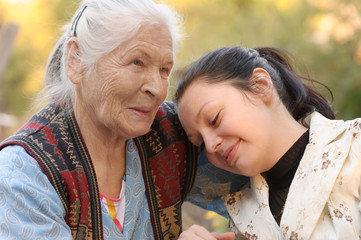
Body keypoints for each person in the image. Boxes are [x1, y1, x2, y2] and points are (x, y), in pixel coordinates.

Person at [0, 2, 248, 239]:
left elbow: (269, 173)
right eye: (137, 62)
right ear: (76, 59)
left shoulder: (172, 135)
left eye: (164, 70)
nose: (156, 89)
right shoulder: (23, 176)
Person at [175, 46, 361, 239]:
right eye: (201, 144)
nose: (211, 145)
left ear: (260, 86)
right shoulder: (240, 218)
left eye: (214, 119)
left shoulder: (354, 150)